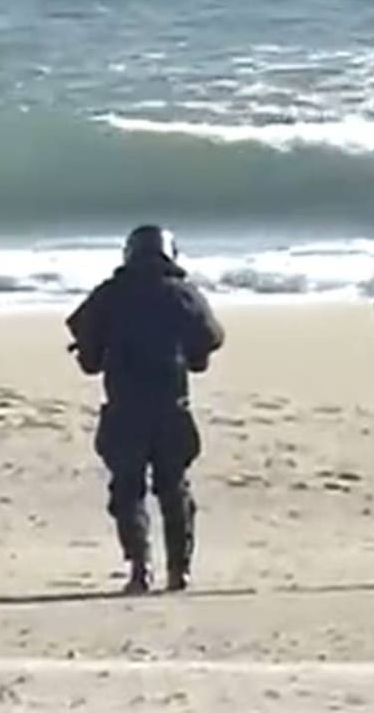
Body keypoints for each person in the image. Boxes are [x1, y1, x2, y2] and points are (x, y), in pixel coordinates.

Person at [66, 225, 225, 594]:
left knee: (127, 491)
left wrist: (92, 355)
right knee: (174, 489)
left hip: (124, 410)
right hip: (172, 408)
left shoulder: (109, 295)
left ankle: (140, 568)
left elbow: (86, 349)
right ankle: (179, 570)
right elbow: (211, 339)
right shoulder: (184, 295)